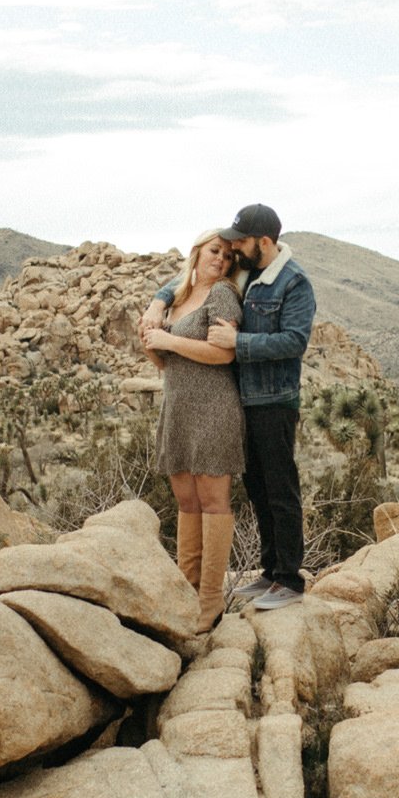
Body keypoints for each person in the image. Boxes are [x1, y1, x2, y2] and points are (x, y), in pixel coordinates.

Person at [141, 203, 314, 612]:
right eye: (225, 245)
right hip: (242, 398)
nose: (232, 250)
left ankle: (289, 579)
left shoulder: (293, 282)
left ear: (263, 242)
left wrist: (239, 343)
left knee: (280, 488)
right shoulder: (247, 272)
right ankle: (270, 572)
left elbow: (295, 341)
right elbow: (189, 278)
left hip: (273, 399)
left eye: (239, 242)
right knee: (258, 488)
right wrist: (158, 300)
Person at [140, 230, 244, 632]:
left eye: (229, 257)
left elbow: (223, 353)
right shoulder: (179, 296)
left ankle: (211, 599)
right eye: (215, 251)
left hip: (214, 406)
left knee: (213, 501)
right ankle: (188, 589)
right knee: (186, 501)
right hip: (179, 407)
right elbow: (167, 362)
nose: (222, 260)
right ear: (197, 252)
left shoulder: (222, 294)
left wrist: (168, 338)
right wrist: (151, 342)